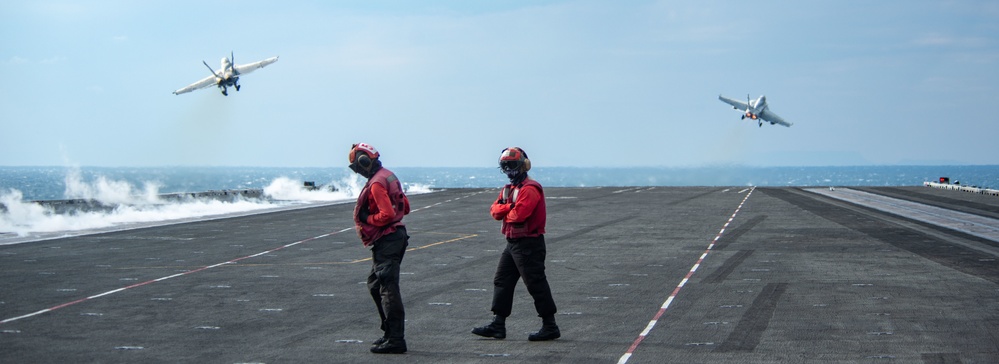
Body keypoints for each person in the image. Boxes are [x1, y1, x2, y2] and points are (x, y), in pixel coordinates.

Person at [472, 147, 561, 341]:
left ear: (523, 166)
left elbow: (518, 215)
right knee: (502, 281)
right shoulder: (508, 189)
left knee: (535, 283)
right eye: (505, 166)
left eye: (511, 165)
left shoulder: (530, 189)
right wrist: (509, 207)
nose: (508, 170)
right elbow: (495, 213)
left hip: (529, 243)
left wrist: (507, 209)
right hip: (512, 243)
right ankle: (498, 324)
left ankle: (550, 325)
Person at [348, 143, 411, 354]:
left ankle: (396, 339)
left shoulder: (376, 183)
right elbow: (406, 207)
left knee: (388, 289)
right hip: (395, 237)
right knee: (375, 284)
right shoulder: (388, 176)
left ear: (363, 163)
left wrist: (367, 218)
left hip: (388, 239)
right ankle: (389, 332)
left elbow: (386, 215)